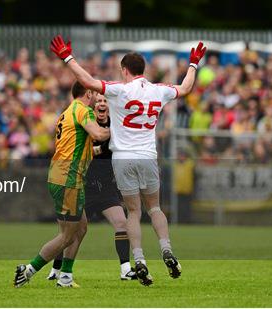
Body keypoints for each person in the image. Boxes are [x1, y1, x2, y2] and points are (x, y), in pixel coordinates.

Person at [50, 35, 206, 285]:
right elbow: (186, 88)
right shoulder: (159, 91)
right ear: (143, 70)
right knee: (154, 208)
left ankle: (140, 260)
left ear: (124, 70)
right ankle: (166, 248)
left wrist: (67, 58)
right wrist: (193, 64)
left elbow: (86, 81)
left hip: (123, 158)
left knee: (133, 212)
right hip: (147, 156)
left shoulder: (119, 89)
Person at [13, 81, 110, 288]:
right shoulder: (83, 110)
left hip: (59, 176)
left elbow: (81, 148)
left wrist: (102, 150)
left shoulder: (67, 112)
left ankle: (65, 276)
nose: (96, 97)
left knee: (81, 228)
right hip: (69, 179)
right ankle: (28, 270)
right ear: (88, 93)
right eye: (94, 92)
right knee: (67, 235)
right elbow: (99, 135)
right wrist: (121, 131)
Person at [46, 95, 137, 281]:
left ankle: (126, 269)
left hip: (105, 188)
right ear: (93, 107)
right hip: (82, 186)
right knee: (69, 233)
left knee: (121, 223)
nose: (102, 104)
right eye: (99, 102)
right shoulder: (86, 123)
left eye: (105, 101)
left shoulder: (115, 126)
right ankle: (56, 270)